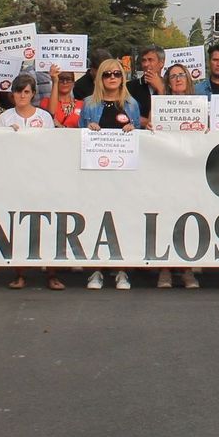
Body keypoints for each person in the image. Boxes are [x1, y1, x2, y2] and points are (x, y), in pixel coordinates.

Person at [0, 74, 64, 290]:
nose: (22, 95)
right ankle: (20, 274)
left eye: (26, 91)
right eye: (18, 91)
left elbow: (54, 146)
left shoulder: (44, 117)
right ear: (12, 93)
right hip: (15, 179)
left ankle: (52, 274)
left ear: (33, 93)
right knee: (18, 226)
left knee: (48, 225)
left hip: (42, 178)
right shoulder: (4, 119)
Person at [80, 59, 143, 290]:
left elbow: (140, 134)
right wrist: (89, 130)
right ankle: (95, 270)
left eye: (117, 73)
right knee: (96, 218)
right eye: (107, 74)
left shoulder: (131, 104)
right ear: (100, 78)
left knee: (123, 219)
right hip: (96, 172)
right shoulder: (89, 104)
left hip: (124, 173)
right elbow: (79, 133)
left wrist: (133, 130)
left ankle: (121, 270)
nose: (112, 78)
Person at [127, 45, 165, 111]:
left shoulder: (170, 86)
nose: (146, 64)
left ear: (161, 63)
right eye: (143, 60)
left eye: (150, 60)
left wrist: (161, 90)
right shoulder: (129, 87)